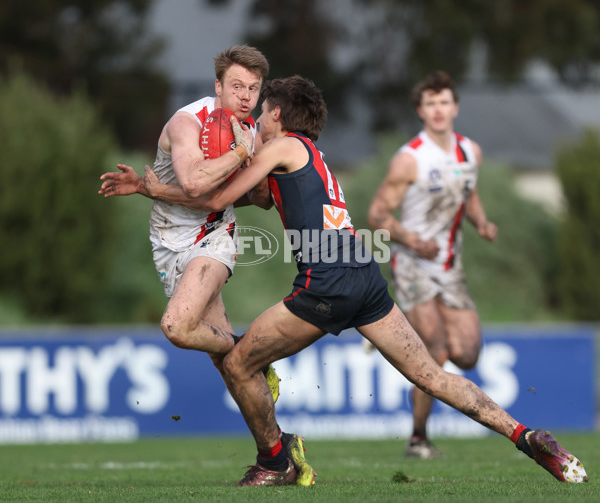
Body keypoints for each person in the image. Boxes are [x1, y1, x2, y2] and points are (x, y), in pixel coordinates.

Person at [141, 75, 587, 486]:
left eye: (261, 114)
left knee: (238, 365)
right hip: (364, 276)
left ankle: (274, 463)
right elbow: (258, 196)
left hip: (327, 283)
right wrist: (242, 150)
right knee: (432, 375)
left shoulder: (281, 147)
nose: (255, 121)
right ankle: (525, 436)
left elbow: (218, 197)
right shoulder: (307, 154)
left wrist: (156, 189)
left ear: (276, 114)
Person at [98, 46, 315, 486]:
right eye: (236, 86)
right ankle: (277, 457)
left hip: (214, 238)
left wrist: (247, 166)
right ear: (217, 85)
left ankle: (242, 345)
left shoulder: (254, 134)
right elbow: (194, 181)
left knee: (177, 326)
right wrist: (237, 155)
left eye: (253, 89)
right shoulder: (186, 122)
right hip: (167, 244)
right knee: (232, 365)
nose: (245, 97)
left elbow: (257, 198)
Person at [363, 70, 498, 458]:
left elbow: (468, 195)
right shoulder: (410, 159)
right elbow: (377, 213)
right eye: (430, 104)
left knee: (468, 353)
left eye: (444, 102)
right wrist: (410, 239)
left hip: (449, 266)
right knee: (435, 348)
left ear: (454, 107)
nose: (438, 110)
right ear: (420, 111)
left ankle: (408, 341)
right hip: (412, 263)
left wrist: (482, 222)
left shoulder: (471, 151)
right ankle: (418, 438)